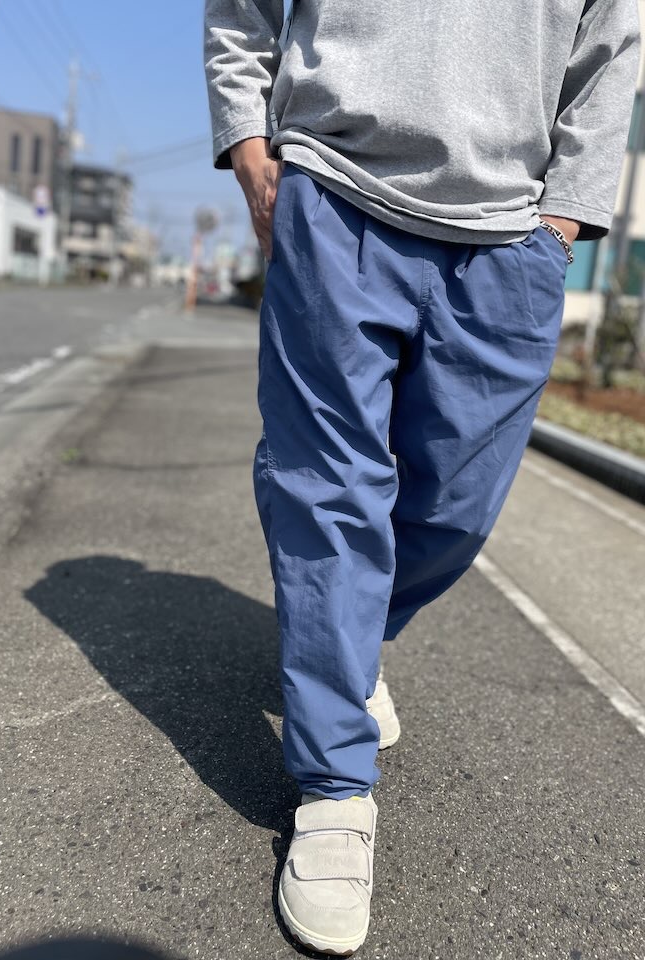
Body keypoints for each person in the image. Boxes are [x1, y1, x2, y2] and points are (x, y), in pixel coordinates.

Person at [204, 0, 640, 953]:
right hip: (334, 187)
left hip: (512, 230)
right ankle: (335, 786)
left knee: (457, 505)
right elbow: (241, 11)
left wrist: (563, 218)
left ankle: (351, 641)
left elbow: (614, 41)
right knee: (329, 490)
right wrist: (249, 143)